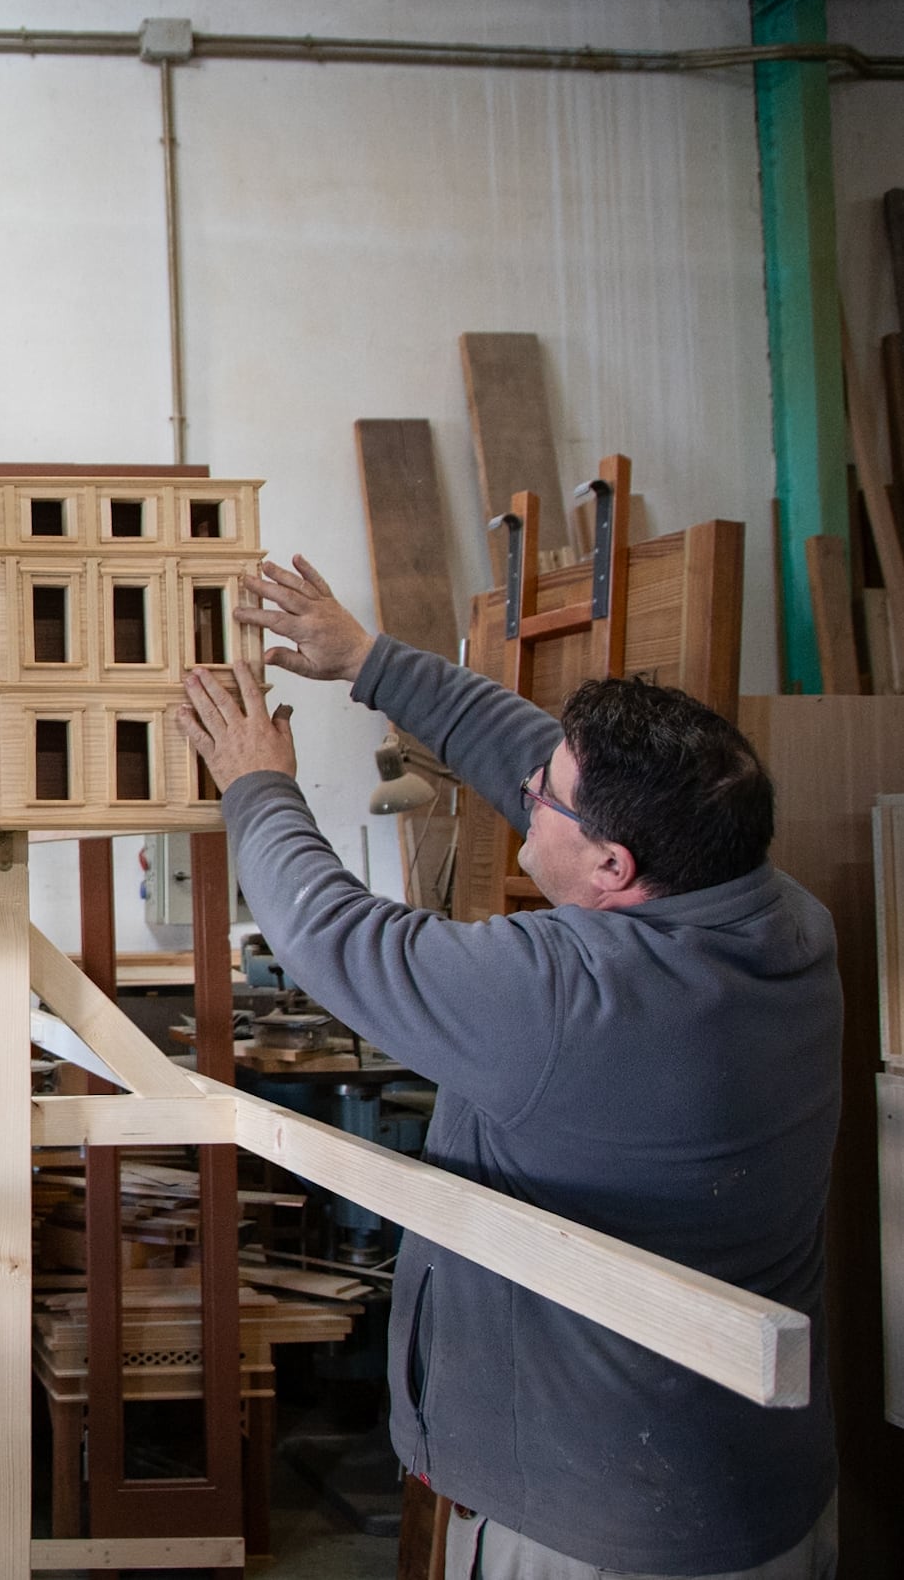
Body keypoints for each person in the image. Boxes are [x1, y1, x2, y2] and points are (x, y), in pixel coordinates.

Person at [172, 556, 840, 1580]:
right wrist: (372, 661)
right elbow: (547, 764)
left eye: (546, 800)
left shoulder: (577, 997)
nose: (525, 788)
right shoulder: (775, 912)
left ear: (613, 869)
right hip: (747, 1490)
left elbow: (333, 932)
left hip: (609, 1527)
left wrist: (256, 780)